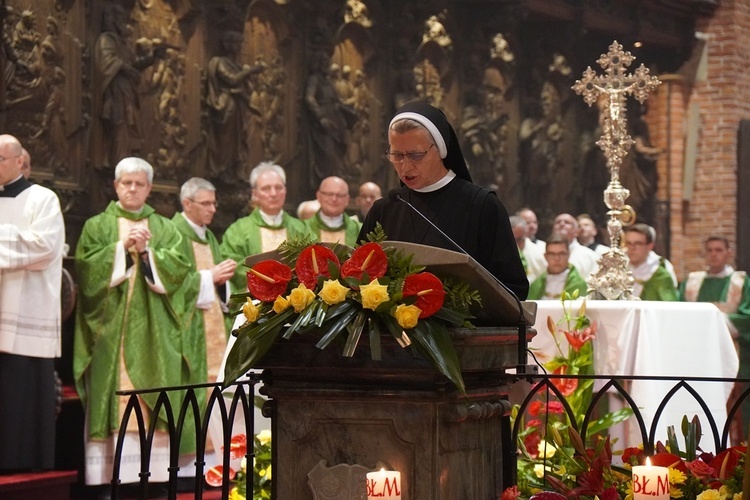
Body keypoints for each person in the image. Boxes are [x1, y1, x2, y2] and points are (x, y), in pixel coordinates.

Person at [73, 157, 193, 487]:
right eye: (126, 183)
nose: (132, 189)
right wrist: (121, 248)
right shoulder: (97, 225)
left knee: (150, 397)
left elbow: (180, 271)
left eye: (139, 184)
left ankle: (152, 478)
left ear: (150, 189)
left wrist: (146, 253)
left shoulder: (165, 228)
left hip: (154, 333)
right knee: (110, 397)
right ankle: (106, 479)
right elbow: (86, 270)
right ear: (115, 186)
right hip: (109, 330)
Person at [358, 100, 528, 299]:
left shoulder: (482, 206)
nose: (405, 167)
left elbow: (513, 290)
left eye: (415, 155)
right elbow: (356, 279)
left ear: (441, 150)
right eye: (397, 155)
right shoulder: (384, 210)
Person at [0, 134, 65, 473]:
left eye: (0, 158)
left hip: (25, 313)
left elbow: (44, 248)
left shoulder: (43, 199)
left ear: (19, 162)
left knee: (18, 401)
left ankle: (21, 469)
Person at [678, 236, 750, 436]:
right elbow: (678, 313)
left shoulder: (740, 282)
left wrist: (716, 320)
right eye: (709, 250)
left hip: (732, 353)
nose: (714, 254)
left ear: (728, 253)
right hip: (696, 355)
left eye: (719, 250)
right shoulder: (692, 282)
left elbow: (747, 317)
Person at [172, 177, 236, 385]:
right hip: (190, 329)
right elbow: (172, 283)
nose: (213, 209)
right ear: (187, 203)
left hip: (215, 325)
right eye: (206, 203)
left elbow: (219, 281)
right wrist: (210, 277)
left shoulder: (208, 237)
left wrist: (222, 280)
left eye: (213, 203)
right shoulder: (173, 234)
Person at [220, 161, 313, 293]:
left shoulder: (301, 229)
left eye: (278, 187)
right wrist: (264, 278)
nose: (273, 193)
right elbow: (231, 265)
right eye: (266, 188)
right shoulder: (238, 230)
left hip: (294, 302)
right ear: (255, 194)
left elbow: (313, 262)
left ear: (285, 191)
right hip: (254, 302)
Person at [95, 3, 162, 168]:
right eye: (120, 19)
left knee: (129, 130)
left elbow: (133, 64)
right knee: (120, 129)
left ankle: (126, 167)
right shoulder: (107, 39)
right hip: (117, 92)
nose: (124, 23)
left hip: (128, 92)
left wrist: (152, 58)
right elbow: (108, 61)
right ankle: (119, 166)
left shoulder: (123, 43)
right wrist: (128, 71)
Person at [623, 223, 677, 301]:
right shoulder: (619, 267)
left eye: (638, 243)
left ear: (650, 246)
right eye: (629, 243)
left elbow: (670, 306)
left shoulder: (660, 273)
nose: (632, 248)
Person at [527, 234, 588, 300]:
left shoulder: (578, 285)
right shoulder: (536, 285)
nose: (557, 258)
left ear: (568, 255)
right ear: (545, 256)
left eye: (561, 253)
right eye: (552, 254)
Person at [305, 176, 362, 246]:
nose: (334, 199)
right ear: (318, 196)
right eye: (329, 194)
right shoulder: (302, 229)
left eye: (339, 195)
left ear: (347, 199)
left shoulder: (360, 230)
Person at [551, 213, 599, 280]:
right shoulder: (542, 252)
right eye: (558, 222)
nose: (561, 224)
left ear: (576, 231)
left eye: (567, 222)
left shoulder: (590, 256)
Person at [510, 215, 545, 284]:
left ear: (525, 233)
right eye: (511, 240)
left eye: (519, 240)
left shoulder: (541, 251)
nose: (515, 244)